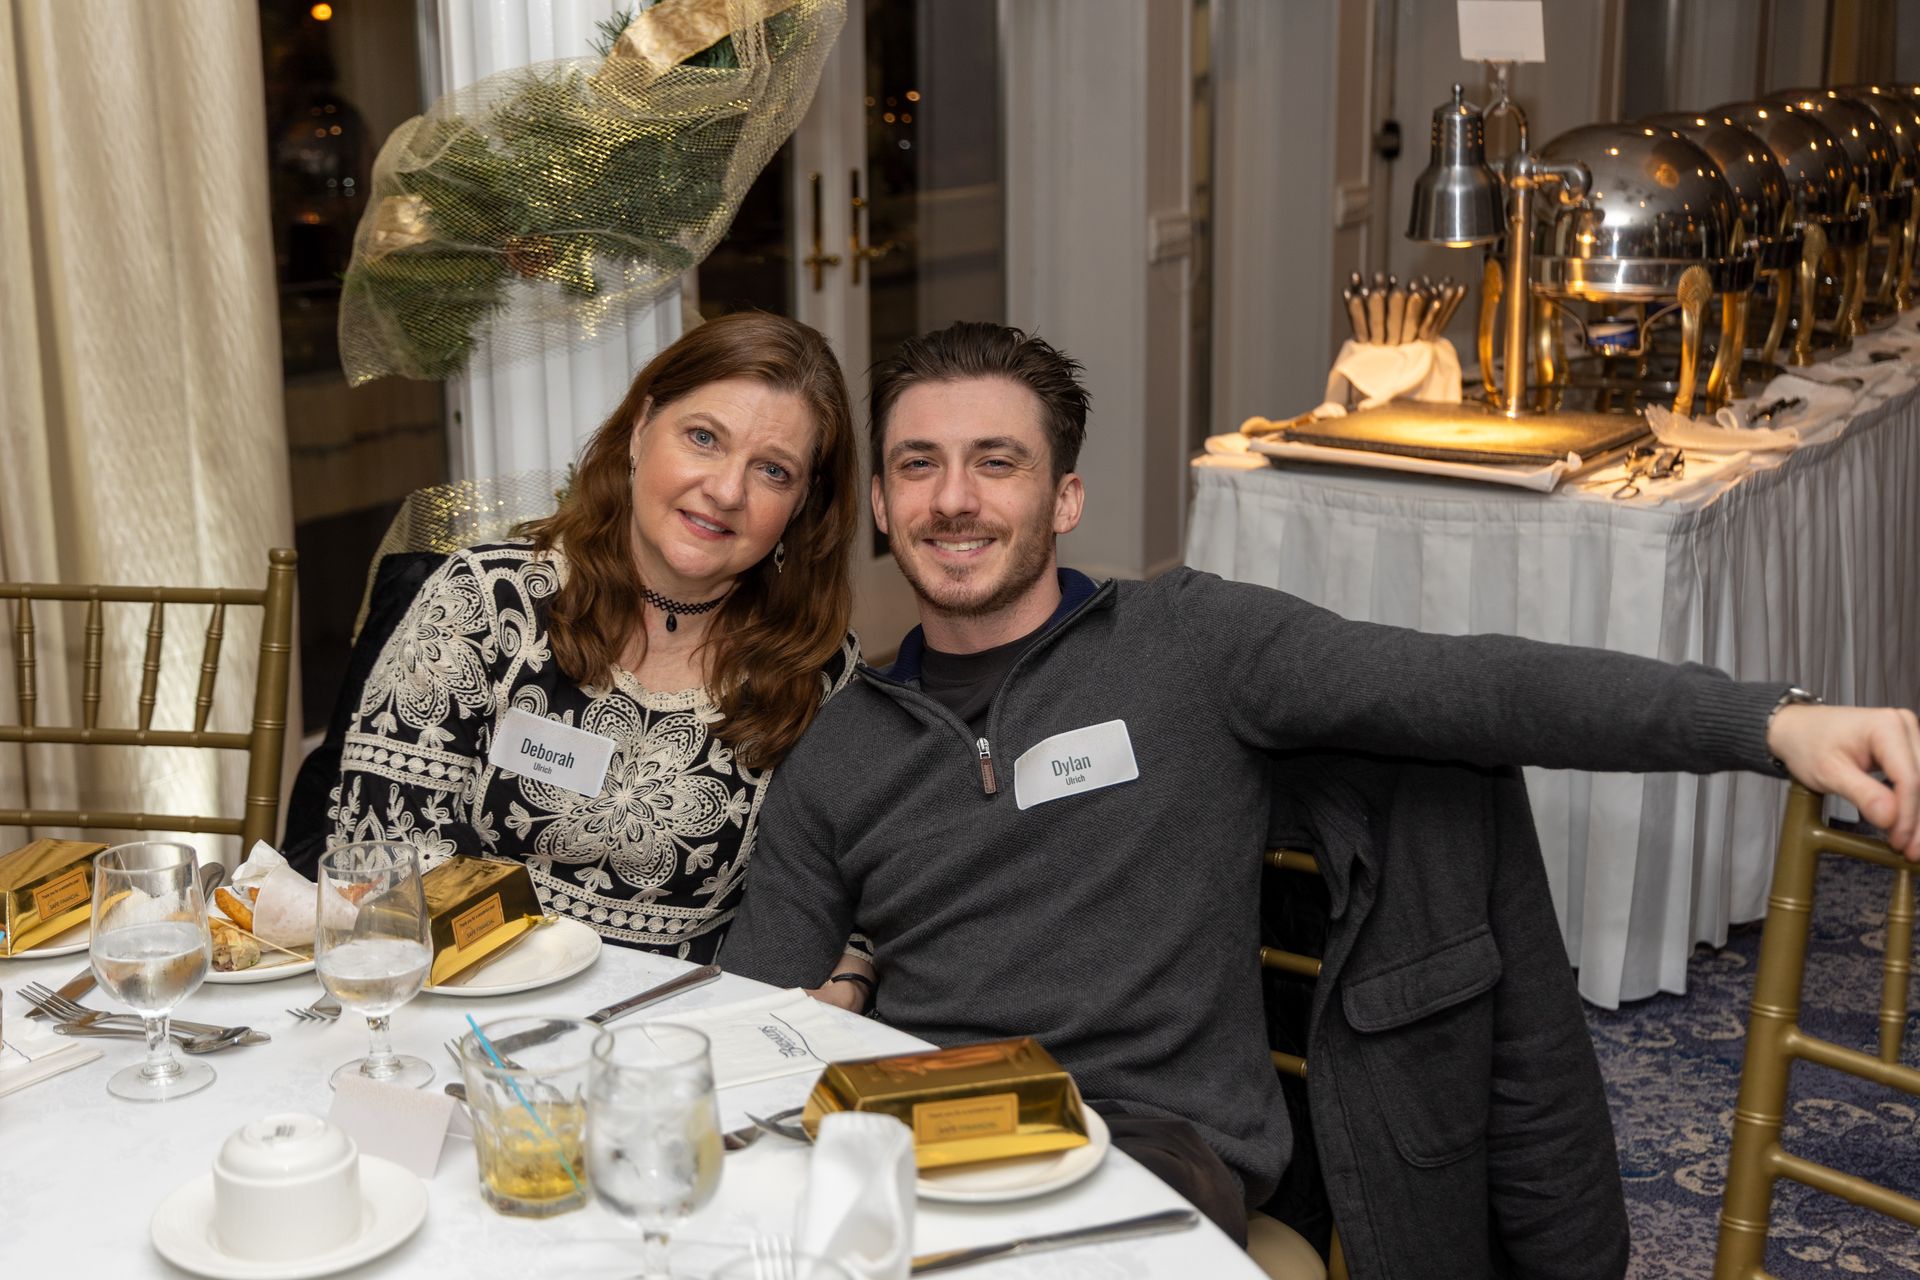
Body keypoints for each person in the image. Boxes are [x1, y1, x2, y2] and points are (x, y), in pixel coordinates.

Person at [720, 321, 1920, 1249]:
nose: (954, 499)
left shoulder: (1192, 647)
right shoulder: (843, 749)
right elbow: (751, 1020)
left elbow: (1472, 682)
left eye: (998, 463)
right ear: (881, 507)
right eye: (919, 466)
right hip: (929, 1134)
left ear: (1064, 499)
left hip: (1153, 1141)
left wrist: (1768, 720)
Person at [327, 311, 873, 992]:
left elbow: (850, 892)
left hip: (685, 1029)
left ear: (802, 503)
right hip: (467, 1001)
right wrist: (542, 989)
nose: (727, 491)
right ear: (641, 428)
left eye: (773, 470)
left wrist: (852, 979)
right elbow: (384, 847)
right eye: (704, 438)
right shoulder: (487, 603)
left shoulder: (819, 671)